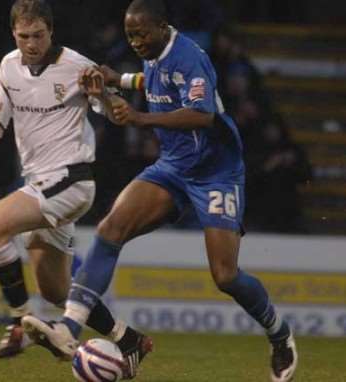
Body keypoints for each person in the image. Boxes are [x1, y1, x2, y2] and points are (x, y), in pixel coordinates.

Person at [24, 1, 298, 381]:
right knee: (108, 231)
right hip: (173, 166)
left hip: (217, 172)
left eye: (141, 34)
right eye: (130, 35)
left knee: (225, 276)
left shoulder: (189, 57)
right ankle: (67, 331)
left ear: (163, 27)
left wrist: (140, 117)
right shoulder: (154, 51)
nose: (135, 41)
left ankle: (279, 335)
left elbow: (201, 115)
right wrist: (120, 80)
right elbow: (154, 80)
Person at [0, 0, 151, 377]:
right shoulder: (8, 66)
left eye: (38, 35)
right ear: (14, 35)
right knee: (55, 291)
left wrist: (104, 94)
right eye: (24, 36)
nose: (32, 43)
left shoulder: (76, 66)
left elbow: (115, 112)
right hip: (40, 184)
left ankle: (19, 323)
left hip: (71, 179)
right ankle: (128, 338)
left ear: (51, 31)